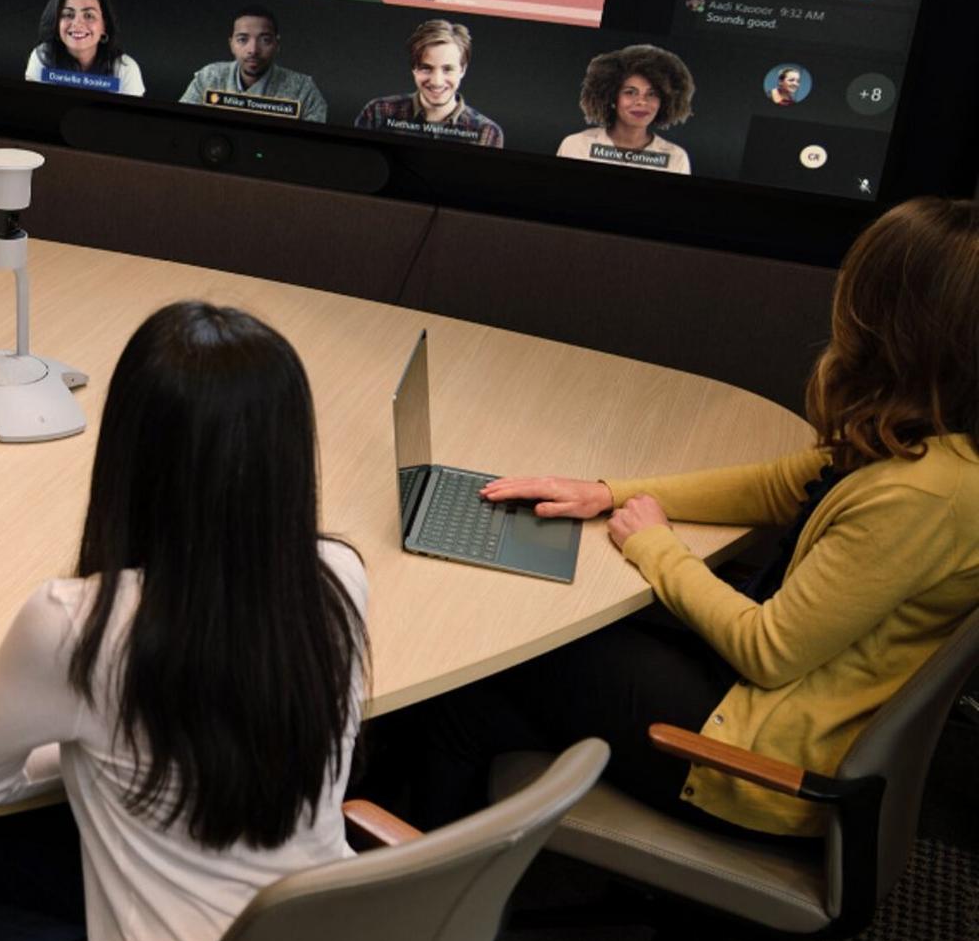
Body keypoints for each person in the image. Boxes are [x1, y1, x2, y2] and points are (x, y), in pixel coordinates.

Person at [0, 303, 369, 941]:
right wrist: (96, 743)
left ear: (132, 452)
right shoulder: (337, 577)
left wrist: (47, 729)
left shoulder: (78, 625)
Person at [411, 196, 979, 837]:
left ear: (893, 324)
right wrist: (609, 491)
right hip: (763, 700)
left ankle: (404, 888)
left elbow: (769, 651)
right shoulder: (924, 437)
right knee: (473, 707)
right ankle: (428, 880)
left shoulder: (926, 495)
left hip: (754, 757)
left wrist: (655, 545)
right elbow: (782, 485)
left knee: (503, 647)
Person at [353, 19, 503, 146]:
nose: (437, 82)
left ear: (462, 70)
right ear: (414, 69)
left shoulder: (487, 132)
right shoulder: (377, 112)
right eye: (426, 68)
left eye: (447, 69)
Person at [175, 0, 328, 121]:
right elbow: (182, 123)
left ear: (277, 44)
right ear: (231, 45)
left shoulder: (303, 89)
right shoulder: (209, 77)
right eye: (242, 40)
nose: (253, 50)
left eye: (265, 40)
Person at [555, 44, 696, 174]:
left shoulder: (676, 158)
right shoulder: (577, 146)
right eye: (630, 92)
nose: (641, 101)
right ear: (611, 97)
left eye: (652, 94)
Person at [24, 0, 144, 96]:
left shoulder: (126, 70)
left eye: (88, 15)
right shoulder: (43, 56)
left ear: (104, 26)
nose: (77, 23)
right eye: (68, 14)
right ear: (56, 23)